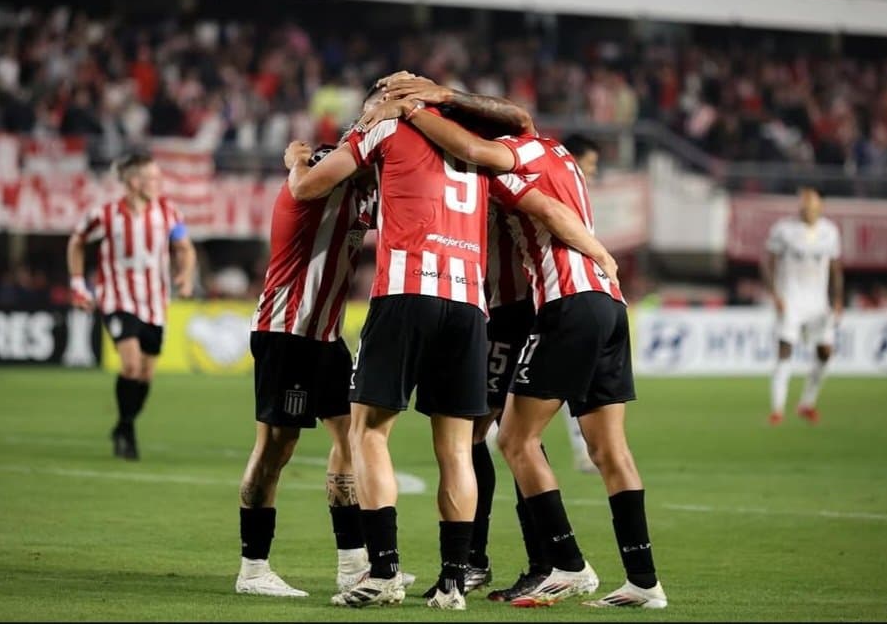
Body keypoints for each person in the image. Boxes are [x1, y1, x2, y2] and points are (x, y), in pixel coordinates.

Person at [293, 82, 621, 611]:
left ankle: (382, 572)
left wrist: (363, 124)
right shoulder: (485, 164)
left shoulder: (387, 127)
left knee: (368, 431)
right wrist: (600, 253)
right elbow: (552, 211)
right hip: (470, 306)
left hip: (406, 292)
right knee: (457, 445)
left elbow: (309, 188)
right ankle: (452, 581)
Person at [361, 82, 668, 609]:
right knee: (605, 450)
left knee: (510, 439)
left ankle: (562, 563)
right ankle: (643, 580)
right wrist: (605, 258)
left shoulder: (509, 162)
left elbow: (529, 194)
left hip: (553, 305)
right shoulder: (561, 155)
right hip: (606, 303)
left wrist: (411, 108)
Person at [236, 142, 413, 598]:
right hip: (287, 332)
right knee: (277, 445)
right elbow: (302, 177)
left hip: (327, 338)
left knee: (352, 437)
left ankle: (353, 563)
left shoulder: (359, 197)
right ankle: (253, 569)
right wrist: (297, 159)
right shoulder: (312, 186)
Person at [67, 152, 195, 460]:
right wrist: (77, 284)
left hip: (154, 302)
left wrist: (185, 276)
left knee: (146, 375)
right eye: (152, 178)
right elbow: (77, 241)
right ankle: (127, 428)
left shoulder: (168, 212)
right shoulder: (105, 214)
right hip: (117, 299)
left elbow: (184, 247)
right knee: (131, 365)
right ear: (133, 181)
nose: (157, 183)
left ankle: (125, 424)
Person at [761, 185, 844, 425]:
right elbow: (767, 263)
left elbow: (835, 269)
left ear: (820, 208)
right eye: (804, 206)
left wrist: (837, 299)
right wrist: (775, 294)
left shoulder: (830, 232)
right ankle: (777, 409)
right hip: (791, 299)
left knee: (825, 351)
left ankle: (806, 403)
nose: (808, 211)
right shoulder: (784, 230)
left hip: (818, 303)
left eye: (812, 207)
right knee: (785, 348)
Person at [560, 133, 602, 474]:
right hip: (552, 297)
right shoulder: (557, 192)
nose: (592, 172)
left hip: (566, 298)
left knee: (570, 377)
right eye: (590, 165)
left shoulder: (579, 195)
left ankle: (584, 449)